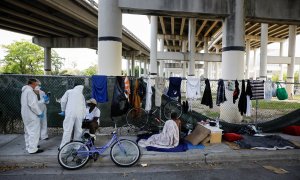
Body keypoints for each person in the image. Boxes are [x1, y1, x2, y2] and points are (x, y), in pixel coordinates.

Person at [59, 83, 86, 149]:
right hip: (79, 114)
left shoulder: (69, 91)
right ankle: (76, 147)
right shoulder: (82, 95)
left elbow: (63, 101)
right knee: (78, 130)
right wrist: (84, 116)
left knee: (67, 130)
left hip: (70, 113)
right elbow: (84, 106)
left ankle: (64, 148)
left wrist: (63, 110)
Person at [21, 78, 44, 154]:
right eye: (36, 84)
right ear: (33, 83)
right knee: (34, 132)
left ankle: (29, 146)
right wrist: (39, 113)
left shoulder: (24, 91)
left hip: (25, 115)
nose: (36, 86)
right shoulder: (30, 91)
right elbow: (33, 105)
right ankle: (33, 149)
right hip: (31, 115)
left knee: (28, 131)